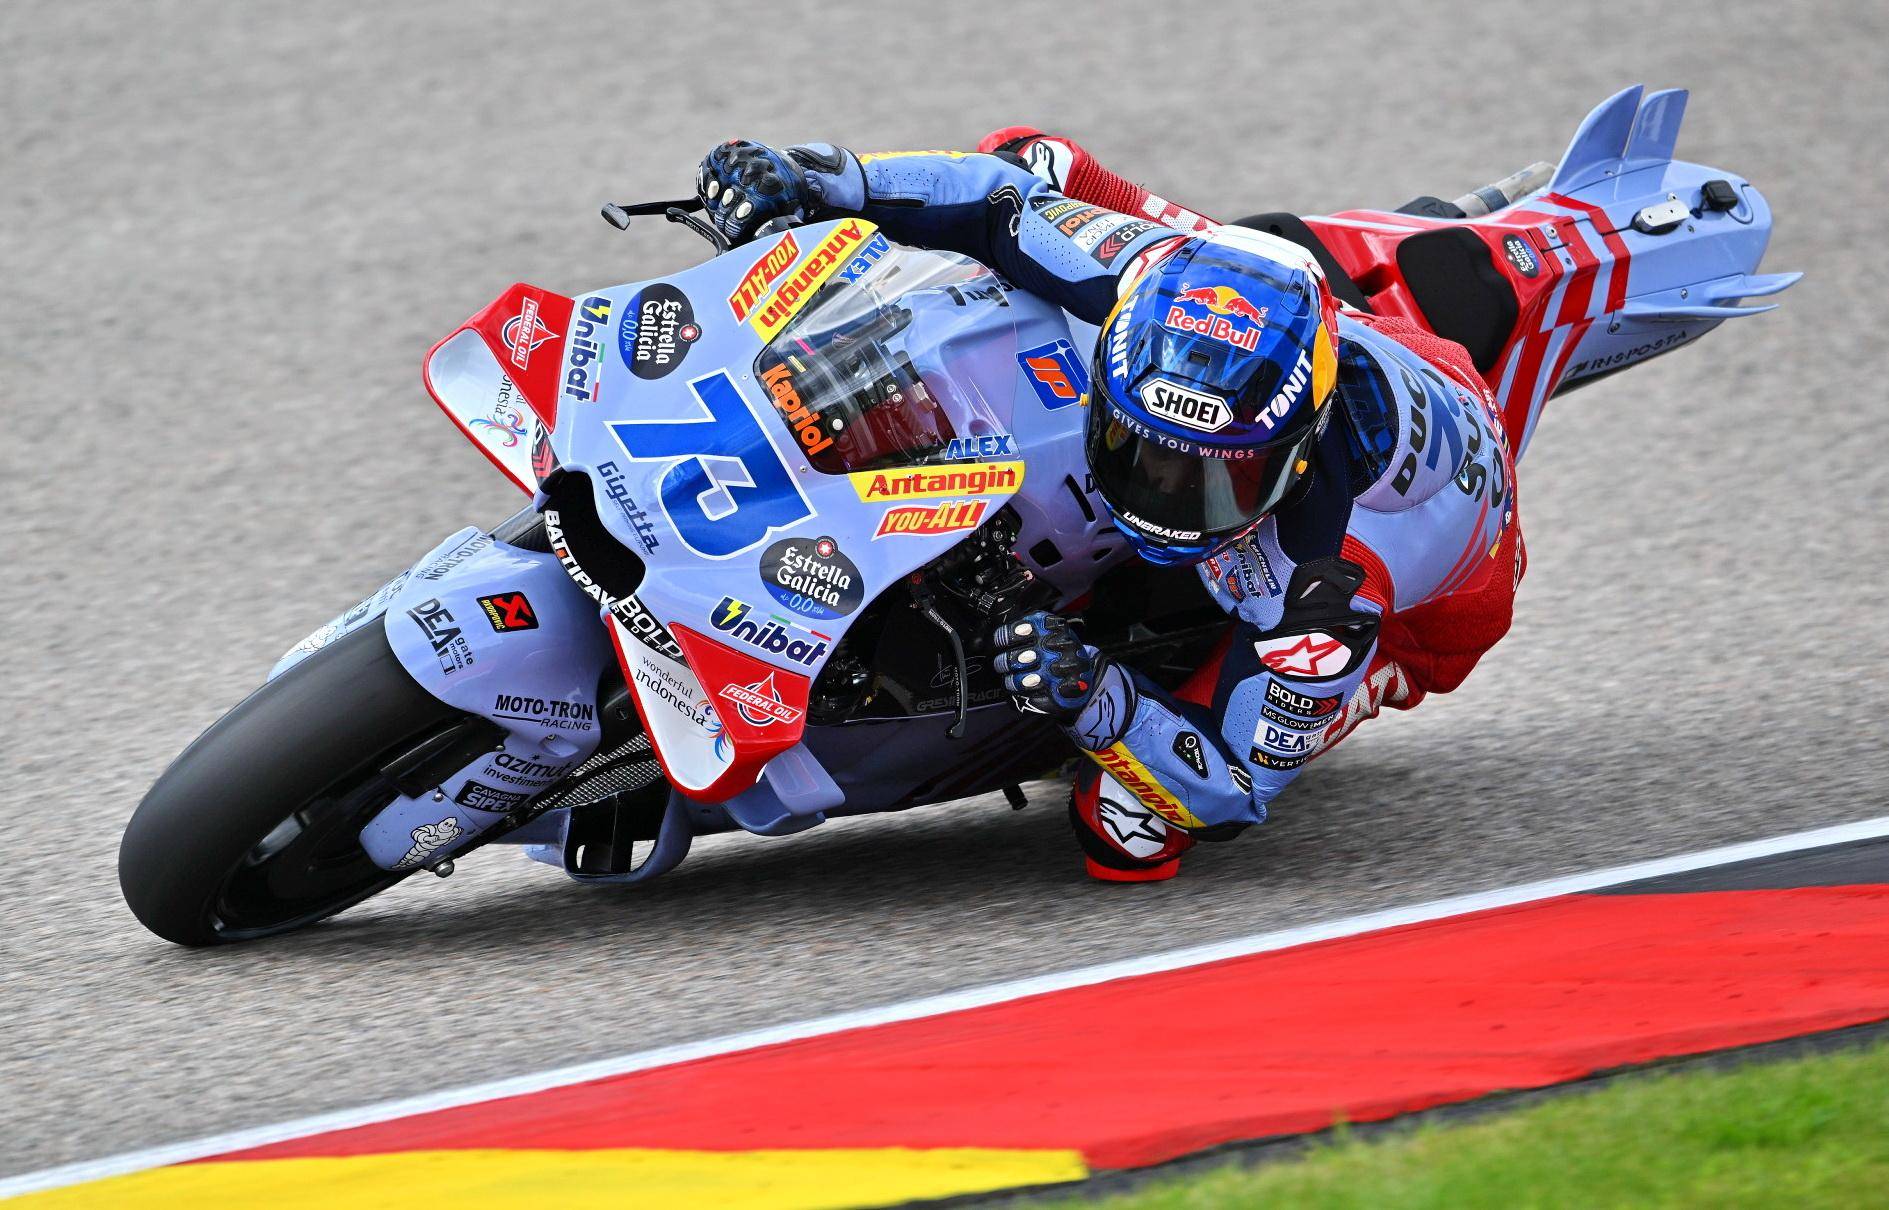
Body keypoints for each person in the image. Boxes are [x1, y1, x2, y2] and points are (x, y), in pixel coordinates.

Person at [695, 133, 1524, 881]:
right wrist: (822, 177)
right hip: (1334, 335)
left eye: (1213, 478)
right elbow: (996, 198)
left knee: (1125, 832)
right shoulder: (1148, 277)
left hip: (1434, 611)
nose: (1163, 493)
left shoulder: (1325, 596)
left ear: (1292, 457)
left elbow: (1232, 789)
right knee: (1033, 158)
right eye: (1141, 451)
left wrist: (1092, 694)